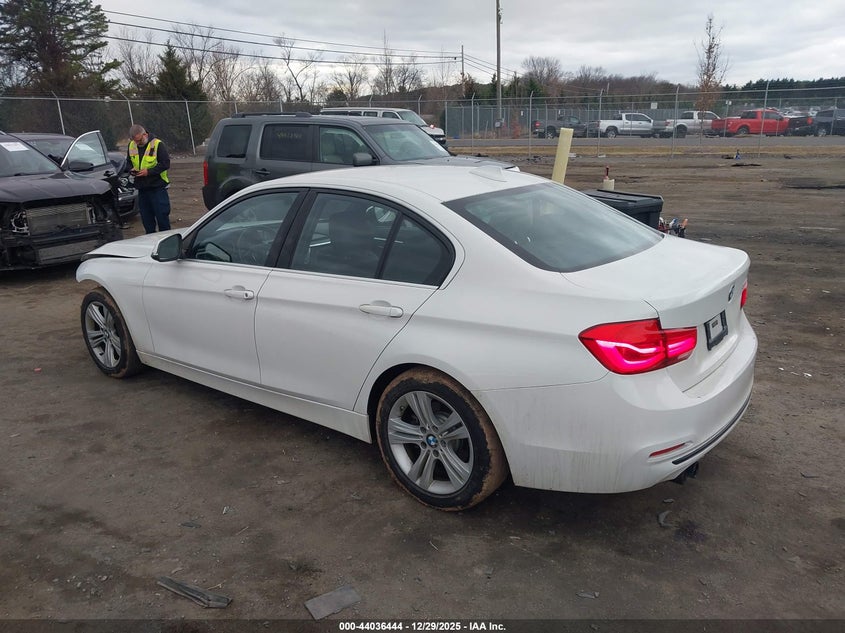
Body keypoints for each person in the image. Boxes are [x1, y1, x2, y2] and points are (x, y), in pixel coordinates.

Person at [127, 124, 171, 234]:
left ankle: (165, 240)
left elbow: (165, 163)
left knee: (162, 218)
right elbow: (128, 162)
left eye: (139, 140)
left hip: (157, 187)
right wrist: (131, 169)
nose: (137, 143)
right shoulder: (132, 145)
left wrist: (149, 172)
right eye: (135, 141)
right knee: (147, 220)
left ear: (145, 134)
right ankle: (150, 239)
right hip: (142, 189)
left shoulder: (157, 144)